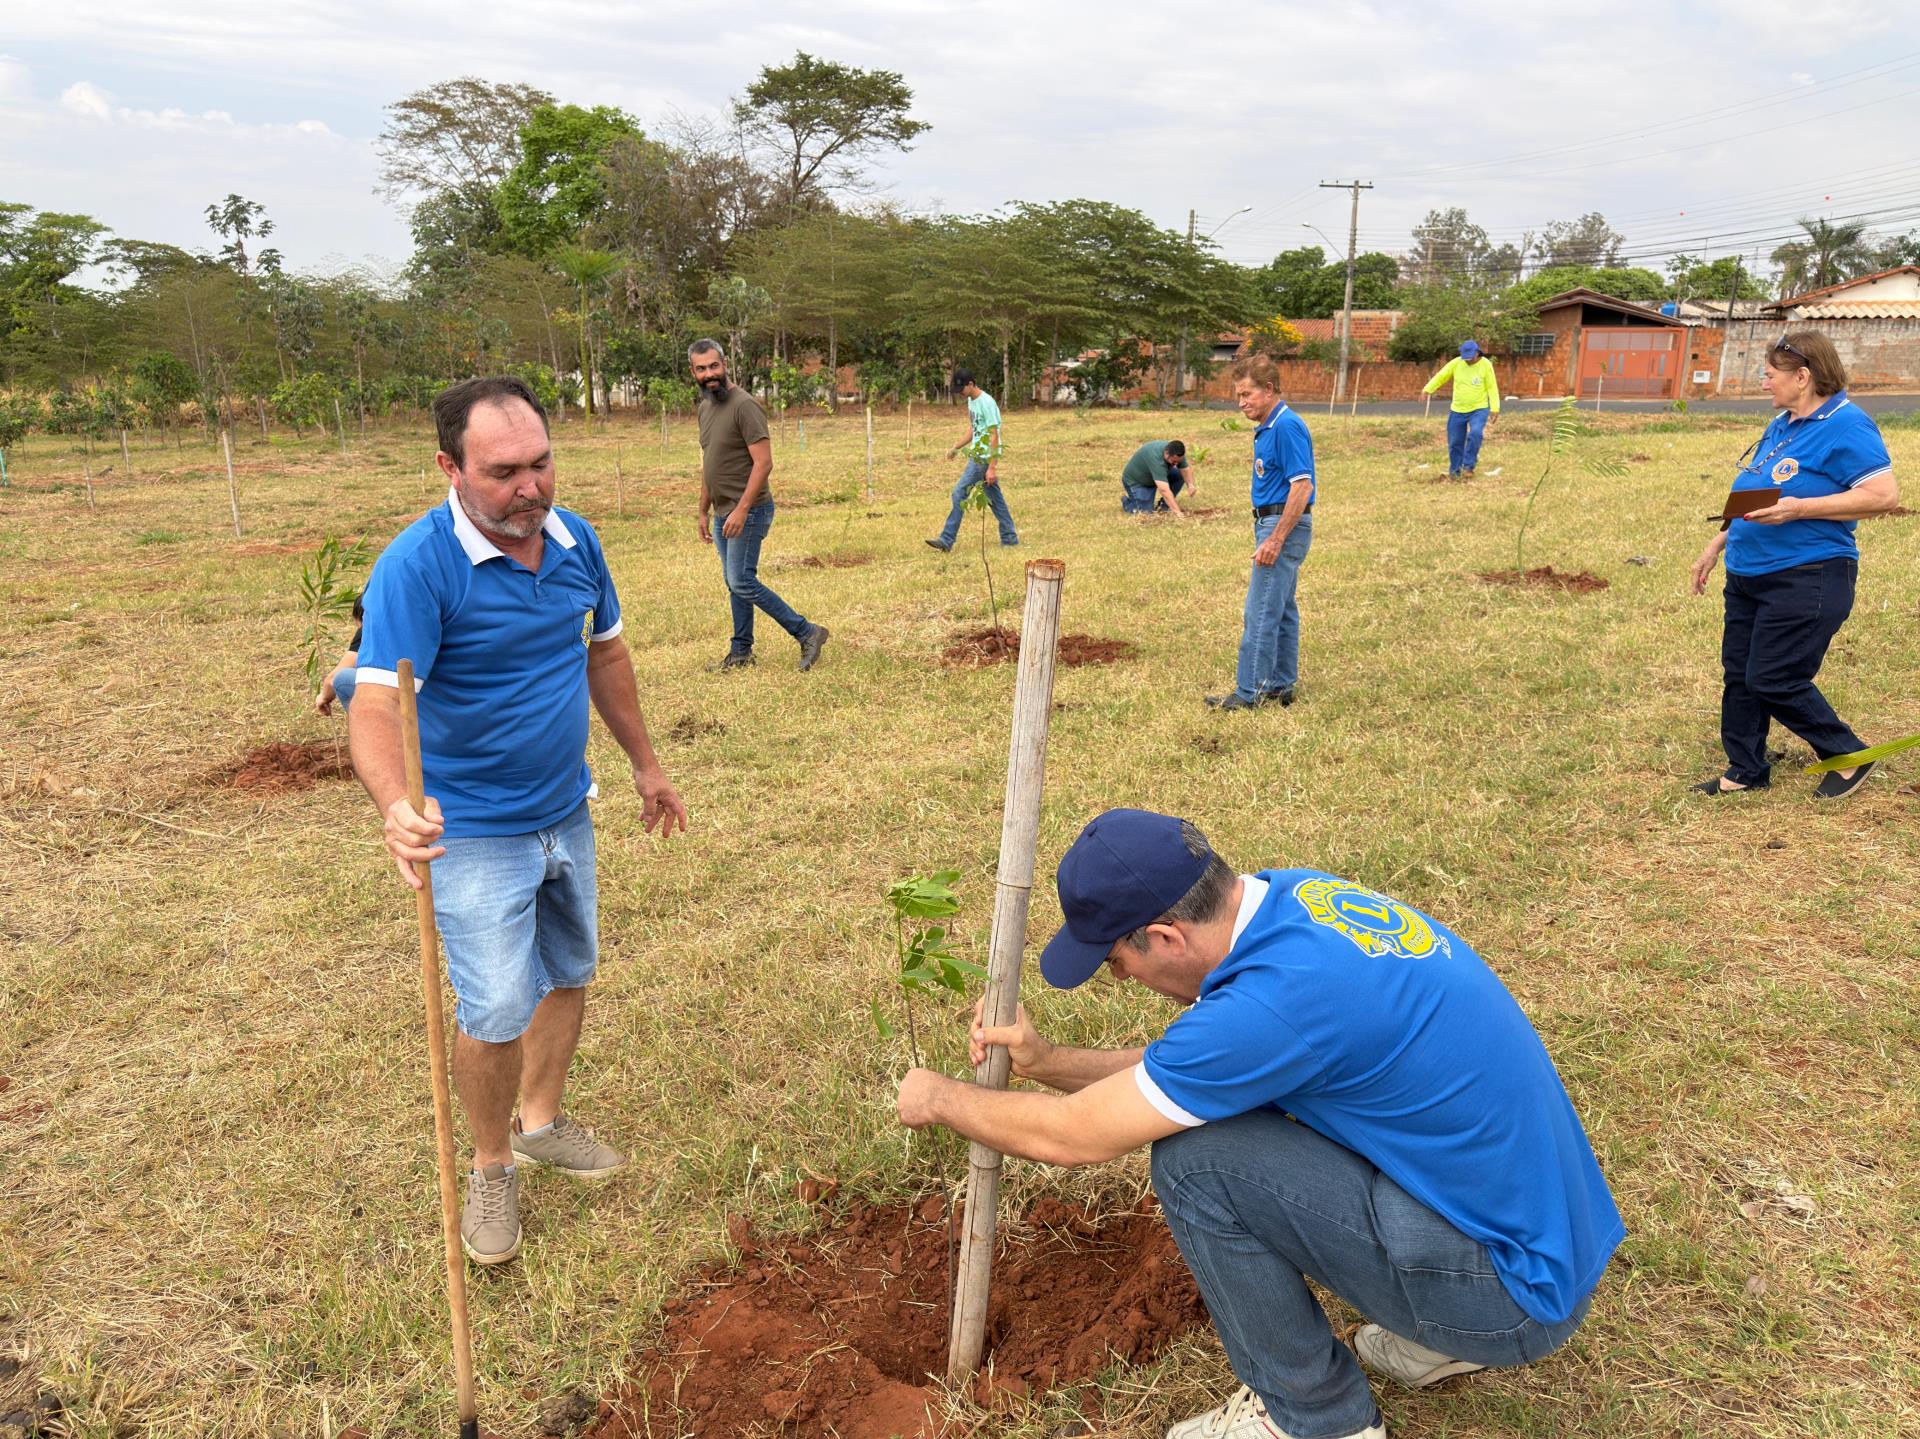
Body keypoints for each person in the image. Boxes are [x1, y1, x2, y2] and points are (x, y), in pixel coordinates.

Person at [897, 809, 1622, 1439]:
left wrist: (943, 1098)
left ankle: (1318, 1417)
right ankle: (1441, 1330)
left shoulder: (1270, 1009)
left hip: (1512, 1294)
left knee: (1196, 1161)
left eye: (1116, 961)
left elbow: (1070, 1136)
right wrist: (1046, 1059)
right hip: (1545, 1237)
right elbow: (1201, 1067)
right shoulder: (1296, 897)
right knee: (1237, 1109)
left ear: (1166, 936)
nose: (1120, 978)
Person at [348, 376, 689, 1266]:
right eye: (504, 472)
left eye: (541, 463)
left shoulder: (577, 541)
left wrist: (646, 766)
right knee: (497, 1004)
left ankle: (541, 1121)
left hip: (564, 809)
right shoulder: (417, 568)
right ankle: (493, 1163)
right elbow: (378, 707)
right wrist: (397, 806)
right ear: (450, 468)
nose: (530, 488)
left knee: (569, 967)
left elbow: (605, 653)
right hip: (470, 830)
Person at [1688, 330, 1899, 798]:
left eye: (1770, 375)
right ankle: (1744, 769)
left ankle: (1846, 755)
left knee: (1773, 677)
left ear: (1803, 377)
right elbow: (1758, 489)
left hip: (1808, 574)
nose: (1764, 383)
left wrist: (1798, 509)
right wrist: (1720, 540)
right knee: (1740, 673)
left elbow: (1883, 496)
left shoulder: (1848, 425)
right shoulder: (1784, 422)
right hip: (1749, 572)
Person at [689, 339, 830, 673]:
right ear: (692, 372)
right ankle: (741, 652)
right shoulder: (705, 407)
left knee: (741, 581)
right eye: (702, 369)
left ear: (725, 363)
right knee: (733, 581)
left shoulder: (745, 405)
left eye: (714, 366)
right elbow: (710, 463)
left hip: (749, 510)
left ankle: (807, 631)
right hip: (723, 509)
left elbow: (764, 463)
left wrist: (741, 509)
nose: (710, 374)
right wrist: (702, 510)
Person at [1207, 354, 1313, 711]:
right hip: (1272, 521)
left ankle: (1248, 692)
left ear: (1269, 390)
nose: (1241, 403)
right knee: (1281, 608)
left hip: (1282, 524)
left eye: (1247, 394)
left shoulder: (1286, 426)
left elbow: (1302, 487)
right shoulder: (1269, 427)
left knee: (1260, 611)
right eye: (1238, 396)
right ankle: (1281, 685)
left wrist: (1275, 538)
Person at [925, 369, 1018, 552]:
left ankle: (946, 539)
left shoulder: (987, 403)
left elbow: (995, 435)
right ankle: (1010, 538)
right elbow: (973, 428)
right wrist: (956, 447)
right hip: (977, 454)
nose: (960, 392)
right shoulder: (971, 401)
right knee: (995, 500)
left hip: (983, 457)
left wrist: (992, 467)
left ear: (971, 384)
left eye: (962, 388)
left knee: (959, 493)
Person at [1421, 341, 1500, 479]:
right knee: (1455, 441)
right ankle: (1455, 472)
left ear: (1477, 353)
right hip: (1457, 409)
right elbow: (1441, 376)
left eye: (1470, 357)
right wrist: (1428, 389)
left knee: (1475, 434)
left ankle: (1468, 466)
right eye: (1465, 357)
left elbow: (1492, 387)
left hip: (1479, 409)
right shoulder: (1456, 362)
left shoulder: (1486, 364)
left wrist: (1495, 408)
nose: (1467, 360)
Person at [314, 596, 363, 714]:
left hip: (396, 694)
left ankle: (367, 730)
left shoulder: (367, 628)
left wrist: (323, 697)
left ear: (358, 619)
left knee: (342, 678)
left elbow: (332, 680)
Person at [1121, 439, 1196, 516]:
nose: (1176, 464)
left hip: (1154, 476)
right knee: (1145, 513)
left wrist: (1190, 485)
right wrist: (1177, 512)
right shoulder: (1156, 459)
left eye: (1178, 462)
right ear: (1166, 454)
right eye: (1173, 462)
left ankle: (1164, 506)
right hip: (1138, 482)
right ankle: (1128, 503)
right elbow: (1164, 490)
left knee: (1179, 475)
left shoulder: (1176, 452)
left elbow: (1185, 469)